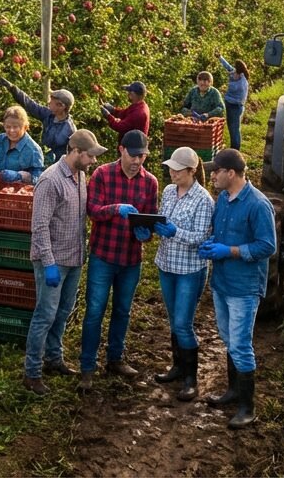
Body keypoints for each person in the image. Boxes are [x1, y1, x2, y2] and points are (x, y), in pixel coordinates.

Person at [23, 129, 108, 395]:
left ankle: (53, 358)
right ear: (75, 152)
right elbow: (39, 226)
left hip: (73, 258)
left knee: (62, 313)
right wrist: (48, 263)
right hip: (54, 261)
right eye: (90, 156)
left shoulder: (80, 176)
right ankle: (32, 372)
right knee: (44, 315)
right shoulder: (50, 181)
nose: (93, 161)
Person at [197, 148, 276, 428]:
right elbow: (219, 232)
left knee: (241, 345)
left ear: (231, 173)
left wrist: (228, 250)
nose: (213, 175)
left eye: (216, 171)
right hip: (222, 282)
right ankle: (233, 391)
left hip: (244, 287)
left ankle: (247, 407)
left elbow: (267, 246)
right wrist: (211, 244)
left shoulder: (257, 204)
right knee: (228, 338)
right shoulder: (223, 200)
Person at [78, 129, 160, 392]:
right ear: (121, 150)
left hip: (131, 258)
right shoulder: (102, 175)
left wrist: (146, 232)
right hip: (104, 254)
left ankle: (115, 358)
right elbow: (92, 210)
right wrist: (117, 209)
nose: (137, 162)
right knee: (94, 312)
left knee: (122, 311)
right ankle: (87, 367)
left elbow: (151, 218)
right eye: (133, 155)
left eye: (142, 157)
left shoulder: (150, 182)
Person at [150, 146, 215, 402]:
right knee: (173, 318)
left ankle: (191, 379)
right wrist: (152, 227)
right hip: (167, 264)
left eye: (177, 170)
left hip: (189, 269)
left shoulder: (203, 200)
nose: (172, 173)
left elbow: (201, 237)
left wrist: (174, 231)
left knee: (183, 323)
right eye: (170, 169)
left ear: (191, 171)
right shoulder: (168, 191)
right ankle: (177, 367)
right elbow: (163, 219)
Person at [0, 76, 77, 163]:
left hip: (57, 167)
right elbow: (30, 104)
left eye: (52, 101)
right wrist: (12, 88)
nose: (49, 103)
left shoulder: (70, 130)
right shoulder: (48, 115)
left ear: (61, 106)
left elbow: (74, 155)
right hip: (43, 160)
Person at [219, 55, 250, 151]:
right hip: (229, 104)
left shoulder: (242, 82)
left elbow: (239, 93)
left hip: (236, 106)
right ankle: (233, 148)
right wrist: (220, 57)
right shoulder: (234, 73)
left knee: (235, 128)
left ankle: (235, 149)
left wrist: (227, 89)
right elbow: (227, 66)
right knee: (230, 126)